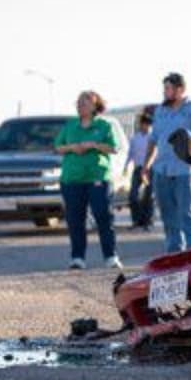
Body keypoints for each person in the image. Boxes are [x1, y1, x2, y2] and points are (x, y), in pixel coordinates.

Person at [142, 73, 191, 253]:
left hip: (186, 170)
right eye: (164, 88)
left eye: (168, 88)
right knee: (168, 216)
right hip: (161, 170)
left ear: (180, 89)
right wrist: (146, 165)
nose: (165, 92)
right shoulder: (160, 111)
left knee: (187, 213)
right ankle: (174, 254)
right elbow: (154, 139)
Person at [54, 91, 122, 269]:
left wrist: (93, 145)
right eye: (78, 103)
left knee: (103, 215)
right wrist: (72, 147)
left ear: (94, 106)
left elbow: (114, 148)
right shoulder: (70, 126)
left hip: (97, 177)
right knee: (75, 219)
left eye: (84, 103)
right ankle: (77, 258)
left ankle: (110, 256)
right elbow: (58, 147)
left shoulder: (104, 125)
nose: (80, 106)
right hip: (72, 179)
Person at [126, 108, 155, 230]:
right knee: (133, 195)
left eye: (148, 125)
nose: (145, 127)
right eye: (143, 124)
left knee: (148, 196)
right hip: (138, 169)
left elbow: (156, 154)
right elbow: (130, 153)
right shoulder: (135, 138)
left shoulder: (153, 138)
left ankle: (147, 221)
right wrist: (126, 166)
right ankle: (136, 220)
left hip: (150, 169)